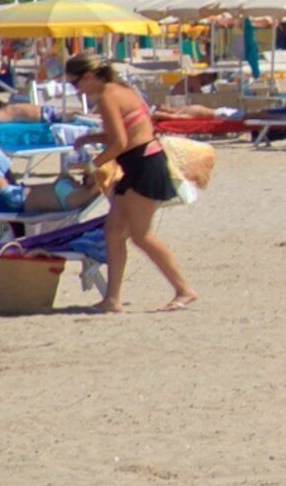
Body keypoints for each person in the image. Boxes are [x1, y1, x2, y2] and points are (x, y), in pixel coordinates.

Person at [70, 55, 197, 311]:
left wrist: (94, 165)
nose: (76, 90)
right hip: (140, 163)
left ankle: (184, 290)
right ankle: (112, 299)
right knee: (114, 231)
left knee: (140, 234)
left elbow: (119, 142)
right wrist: (90, 138)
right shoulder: (122, 90)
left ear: (89, 76)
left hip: (144, 165)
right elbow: (126, 132)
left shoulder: (107, 96)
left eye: (75, 83)